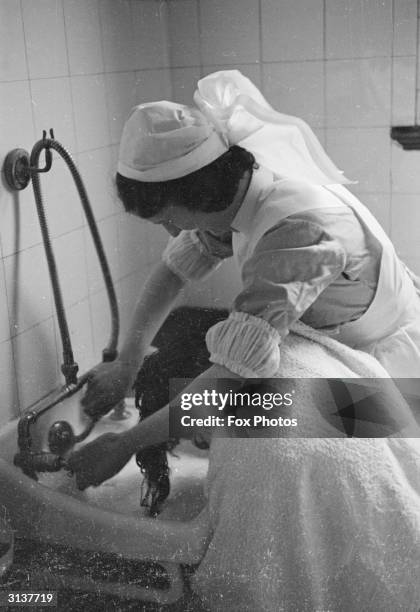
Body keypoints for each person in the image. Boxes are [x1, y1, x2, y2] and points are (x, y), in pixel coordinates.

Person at [68, 70, 420, 489]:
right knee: (243, 412)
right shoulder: (244, 189)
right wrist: (127, 365)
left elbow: (229, 376)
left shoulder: (296, 231)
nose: (169, 231)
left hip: (390, 376)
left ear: (197, 195)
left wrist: (124, 445)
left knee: (272, 452)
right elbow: (172, 272)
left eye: (166, 218)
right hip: (339, 342)